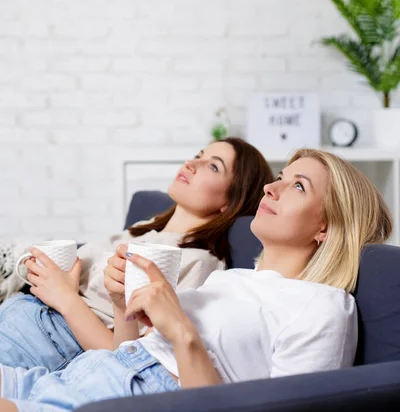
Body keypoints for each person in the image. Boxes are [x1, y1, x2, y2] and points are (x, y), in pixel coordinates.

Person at [0, 148, 392, 412]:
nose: (272, 187)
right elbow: (127, 350)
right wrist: (124, 305)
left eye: (298, 186)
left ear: (326, 226)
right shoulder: (234, 280)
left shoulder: (323, 306)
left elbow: (270, 405)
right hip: (87, 373)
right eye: (280, 177)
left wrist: (182, 331)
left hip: (130, 395)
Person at [0, 138, 273, 372]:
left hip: (51, 338)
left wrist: (66, 298)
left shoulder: (198, 262)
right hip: (23, 311)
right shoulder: (141, 230)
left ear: (231, 201)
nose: (192, 164)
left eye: (213, 166)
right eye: (198, 156)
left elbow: (128, 357)